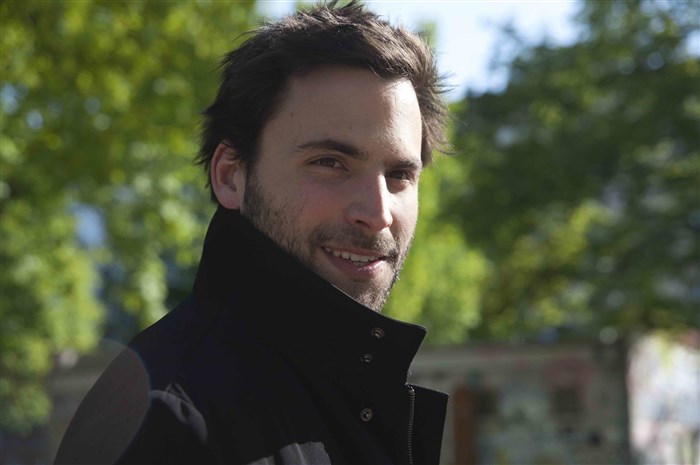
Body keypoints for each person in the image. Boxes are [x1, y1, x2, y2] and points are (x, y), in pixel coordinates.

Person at [54, 1, 451, 464]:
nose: (378, 214)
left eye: (399, 175)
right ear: (231, 175)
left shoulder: (348, 396)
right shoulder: (166, 423)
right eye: (330, 163)